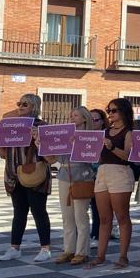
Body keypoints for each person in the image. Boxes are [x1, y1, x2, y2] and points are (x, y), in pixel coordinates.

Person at [0, 94, 53, 262]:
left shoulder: (43, 126)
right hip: (14, 174)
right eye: (19, 103)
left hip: (36, 173)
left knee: (38, 211)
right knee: (19, 212)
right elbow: (3, 154)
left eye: (25, 104)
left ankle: (45, 248)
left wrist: (38, 138)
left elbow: (50, 153)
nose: (20, 107)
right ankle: (15, 247)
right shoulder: (10, 124)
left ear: (34, 106)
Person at [88, 98, 135, 268]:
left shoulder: (128, 132)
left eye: (114, 110)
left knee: (122, 216)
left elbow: (129, 156)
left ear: (123, 111)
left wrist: (111, 147)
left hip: (120, 172)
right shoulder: (105, 131)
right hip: (102, 172)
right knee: (104, 218)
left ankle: (123, 256)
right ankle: (100, 255)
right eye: (108, 110)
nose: (110, 113)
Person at [50, 107, 96, 266]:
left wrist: (78, 143)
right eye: (70, 115)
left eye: (75, 115)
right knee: (66, 215)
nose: (72, 118)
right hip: (64, 174)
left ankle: (82, 251)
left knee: (80, 215)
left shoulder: (90, 136)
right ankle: (68, 249)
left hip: (82, 175)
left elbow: (93, 157)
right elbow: (52, 159)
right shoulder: (65, 134)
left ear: (84, 118)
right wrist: (43, 145)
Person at [88, 108, 107, 244]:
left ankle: (99, 233)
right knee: (92, 205)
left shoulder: (106, 136)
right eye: (90, 119)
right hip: (87, 174)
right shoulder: (83, 135)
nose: (93, 122)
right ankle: (95, 233)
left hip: (103, 173)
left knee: (100, 206)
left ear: (102, 122)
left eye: (96, 120)